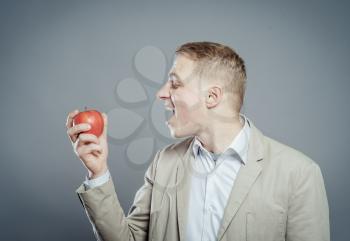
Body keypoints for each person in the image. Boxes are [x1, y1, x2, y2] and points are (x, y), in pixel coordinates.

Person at [66, 42, 330, 241]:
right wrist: (97, 172)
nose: (161, 94)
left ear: (212, 97)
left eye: (174, 84)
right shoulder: (164, 163)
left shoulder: (299, 174)